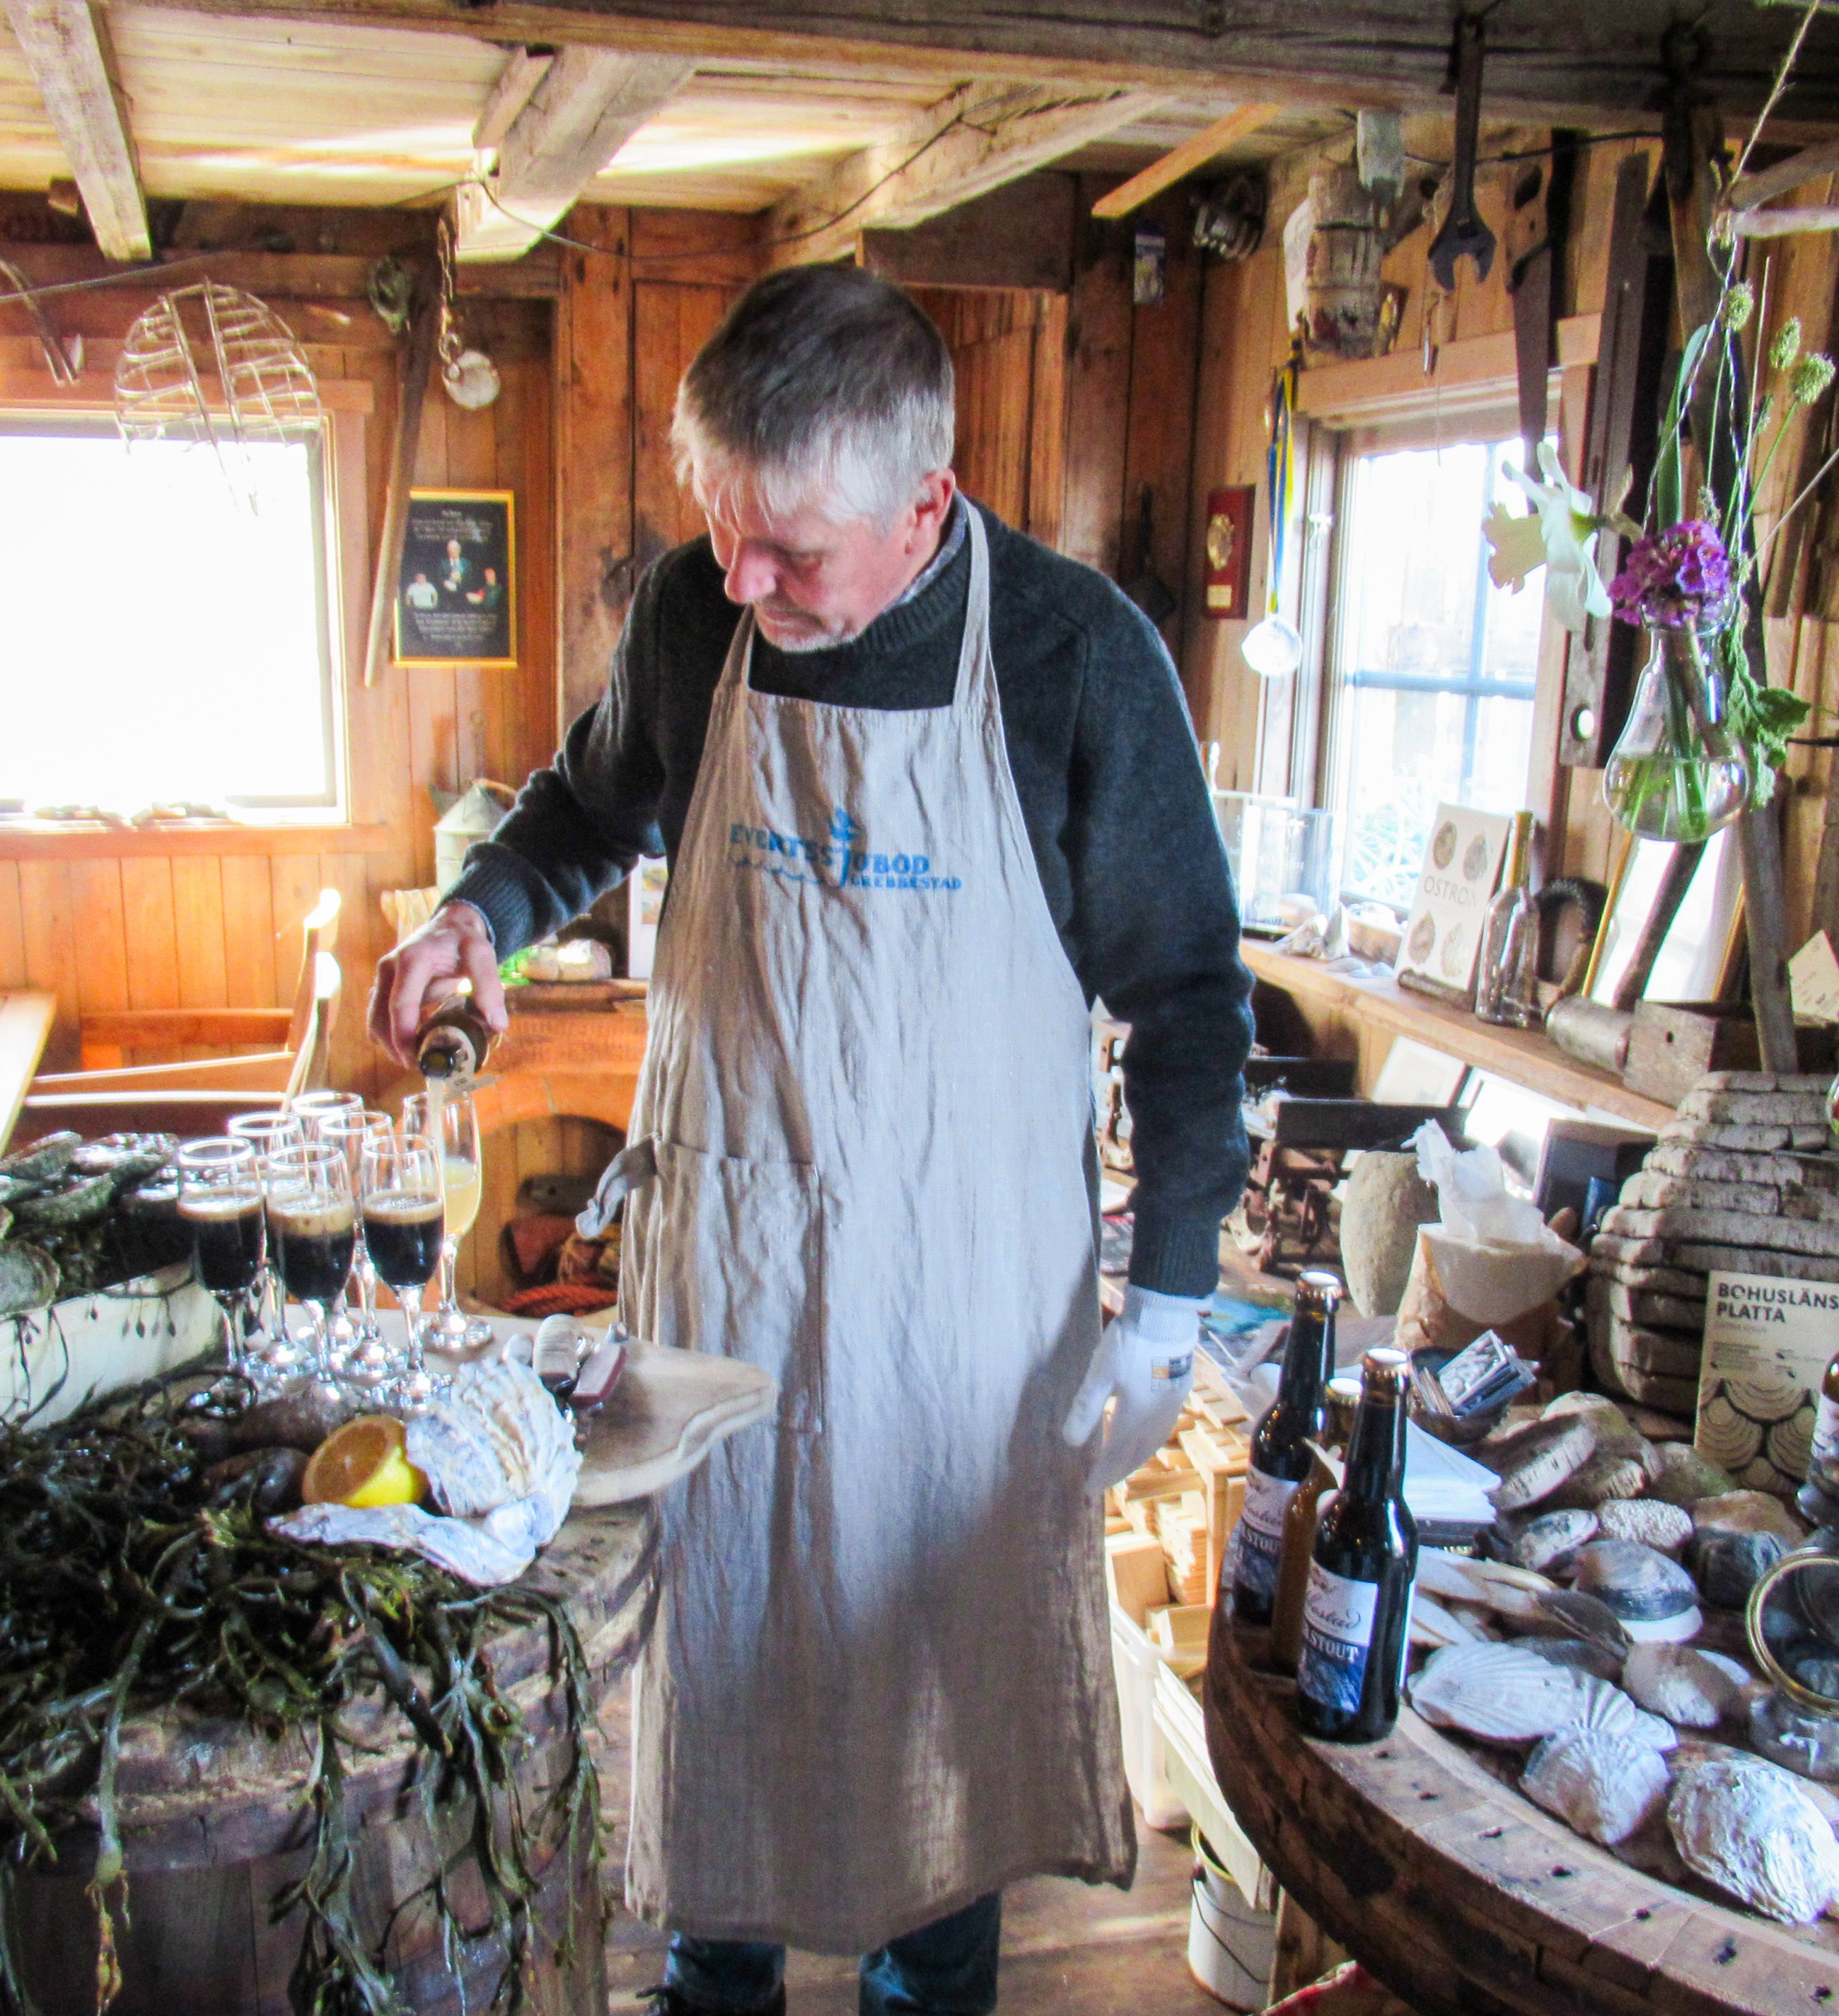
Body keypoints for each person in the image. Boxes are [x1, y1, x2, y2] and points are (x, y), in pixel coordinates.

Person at [371, 265, 1251, 2016]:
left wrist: (1167, 1304)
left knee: (941, 1706)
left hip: (967, 1298)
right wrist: (485, 913)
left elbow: (1186, 1002)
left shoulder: (1075, 659)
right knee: (735, 1680)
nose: (744, 583)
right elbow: (589, 800)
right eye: (723, 533)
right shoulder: (704, 616)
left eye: (793, 552)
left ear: (924, 502)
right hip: (732, 1268)